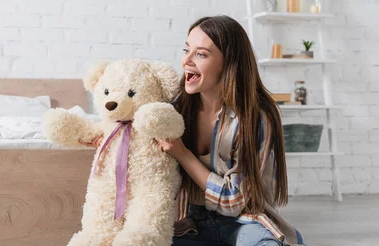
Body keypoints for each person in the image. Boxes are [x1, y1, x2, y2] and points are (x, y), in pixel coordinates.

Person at [83, 15, 304, 246]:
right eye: (186, 50)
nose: (186, 61)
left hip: (243, 222)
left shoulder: (254, 117)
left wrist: (182, 153)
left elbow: (235, 201)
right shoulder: (175, 109)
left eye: (201, 54)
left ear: (228, 62)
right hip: (188, 224)